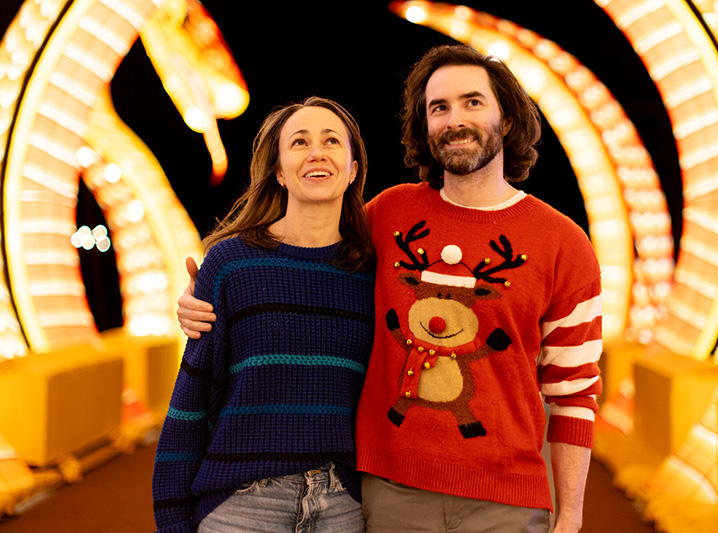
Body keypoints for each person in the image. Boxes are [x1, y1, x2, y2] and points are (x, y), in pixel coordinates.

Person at [178, 45, 602, 533]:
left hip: (506, 500)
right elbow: (307, 273)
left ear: (506, 120)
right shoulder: (386, 215)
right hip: (392, 492)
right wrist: (206, 300)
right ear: (424, 126)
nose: (454, 119)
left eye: (473, 102)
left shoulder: (564, 243)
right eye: (438, 108)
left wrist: (570, 515)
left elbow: (573, 393)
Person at [152, 96, 375, 533]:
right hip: (243, 505)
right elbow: (192, 397)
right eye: (299, 142)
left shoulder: (372, 272)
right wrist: (172, 515)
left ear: (352, 169)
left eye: (332, 140)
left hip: (341, 508)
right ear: (278, 171)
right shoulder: (232, 264)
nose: (317, 152)